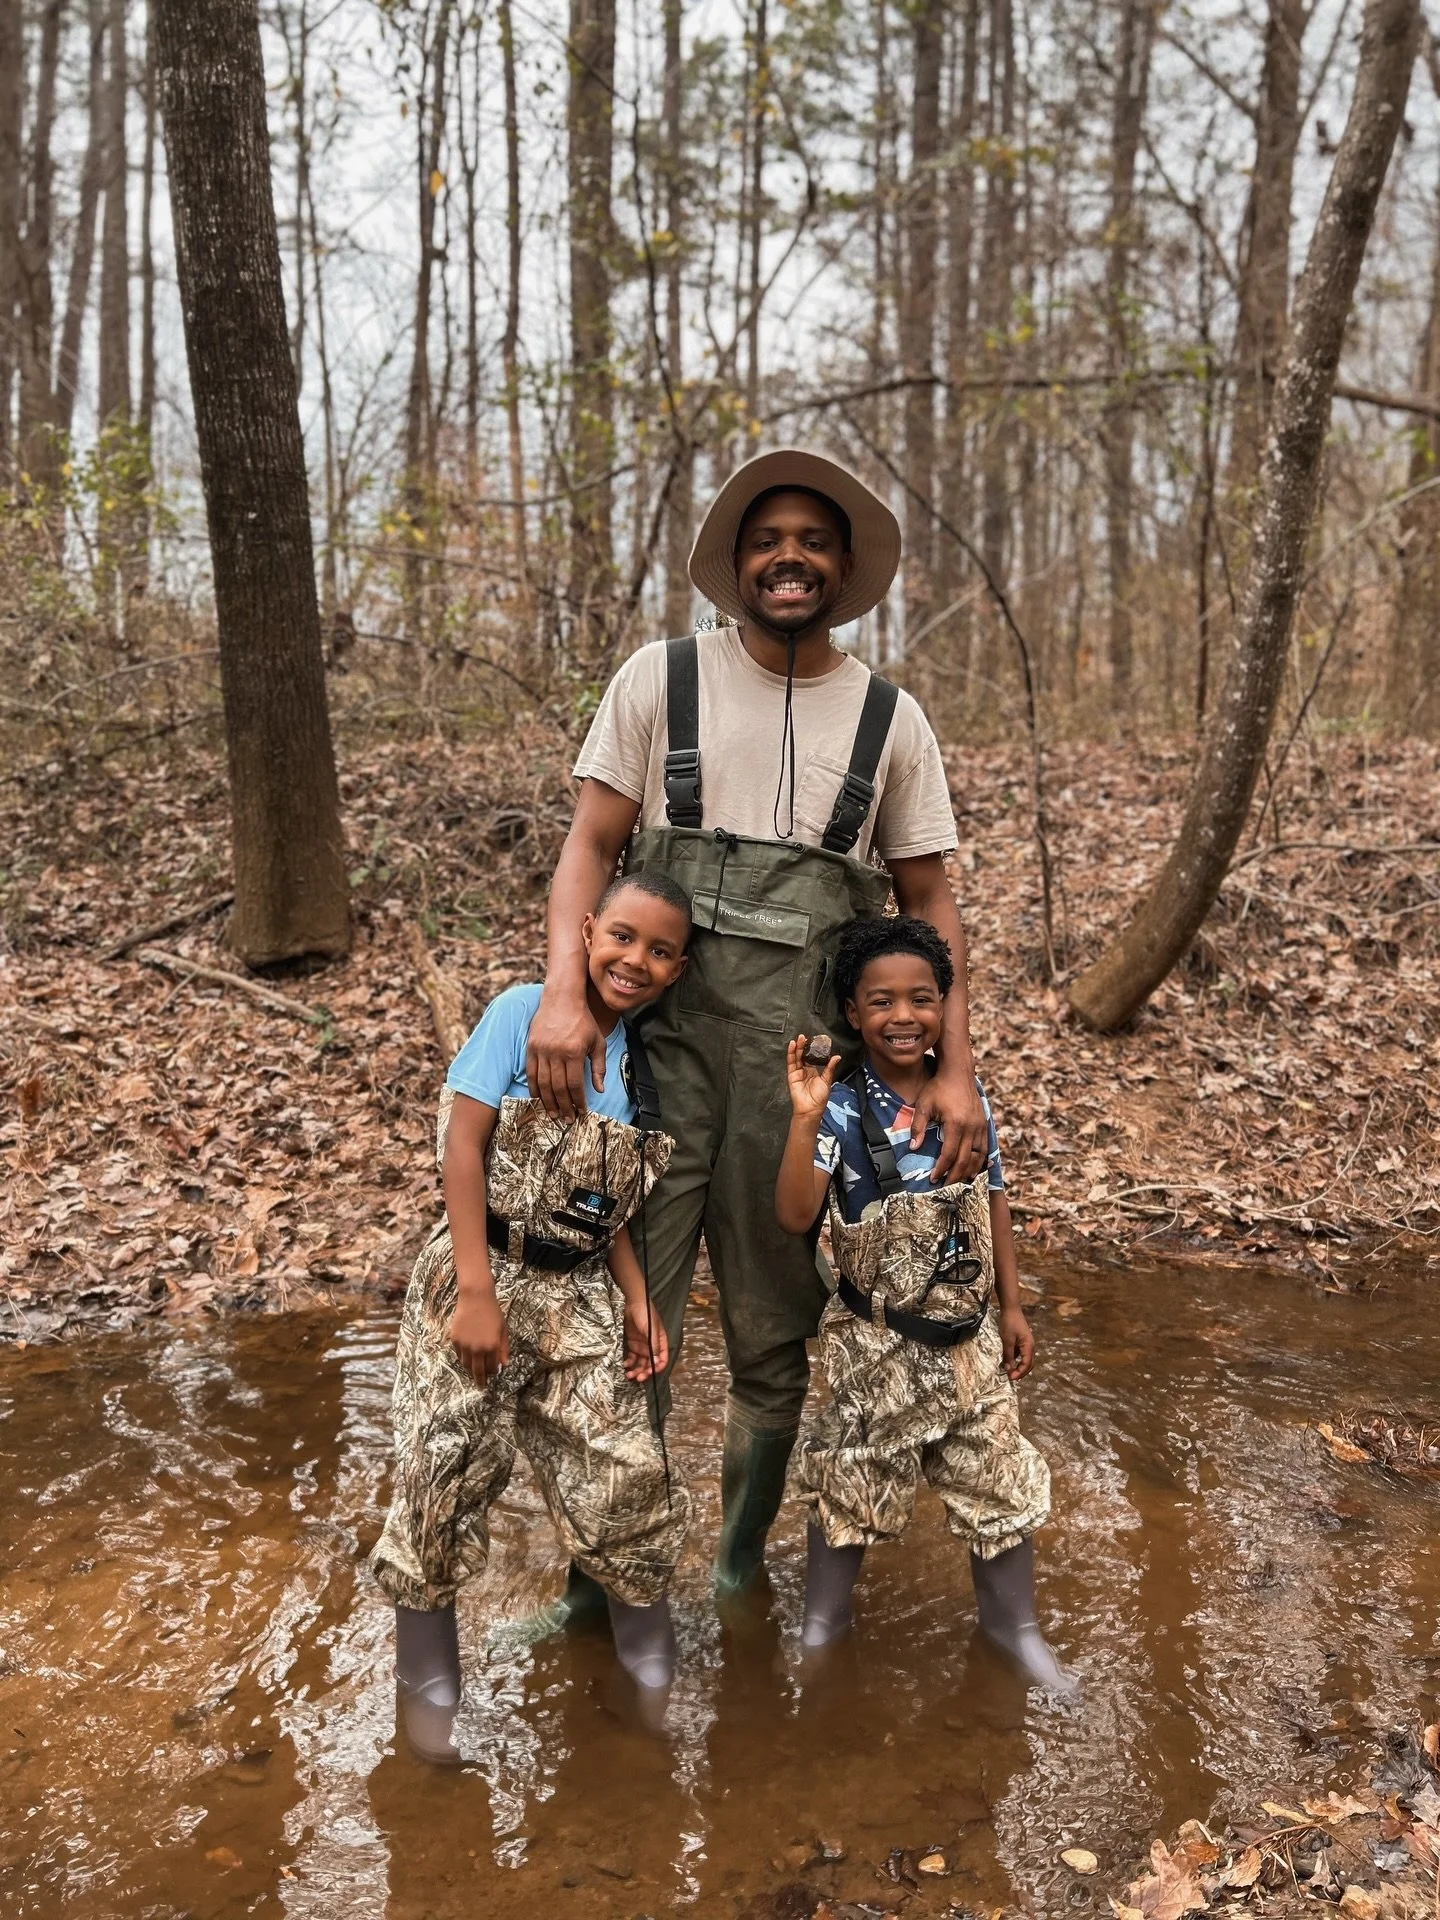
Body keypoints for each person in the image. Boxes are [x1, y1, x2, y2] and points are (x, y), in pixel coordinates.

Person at [526, 448, 991, 1593]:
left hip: (803, 1083)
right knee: (615, 1319)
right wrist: (560, 993)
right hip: (654, 1066)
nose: (791, 557)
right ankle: (603, 1586)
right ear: (736, 563)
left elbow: (928, 906)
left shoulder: (893, 721)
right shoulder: (659, 679)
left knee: (773, 1336)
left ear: (844, 567)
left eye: (814, 540)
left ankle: (737, 1577)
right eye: (768, 538)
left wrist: (955, 1072)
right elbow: (590, 844)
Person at [370, 872, 695, 1762]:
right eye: (623, 936)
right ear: (587, 930)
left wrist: (635, 1297)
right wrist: (475, 1292)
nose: (637, 960)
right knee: (443, 1480)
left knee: (628, 1476)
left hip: (582, 1288)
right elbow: (462, 1145)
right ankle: (430, 1697)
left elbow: (606, 1201)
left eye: (661, 950)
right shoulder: (521, 1011)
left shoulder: (635, 1057)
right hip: (483, 1274)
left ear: (676, 970)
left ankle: (650, 1684)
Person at [775, 915, 1071, 1692]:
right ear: (851, 1012)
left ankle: (1017, 1632)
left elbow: (993, 1200)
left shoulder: (964, 1098)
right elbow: (796, 1214)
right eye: (881, 1002)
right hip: (875, 1345)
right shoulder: (840, 1107)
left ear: (945, 1006)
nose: (903, 1017)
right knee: (851, 1484)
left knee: (998, 1482)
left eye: (921, 999)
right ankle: (821, 1632)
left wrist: (1013, 1305)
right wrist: (805, 1120)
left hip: (968, 1339)